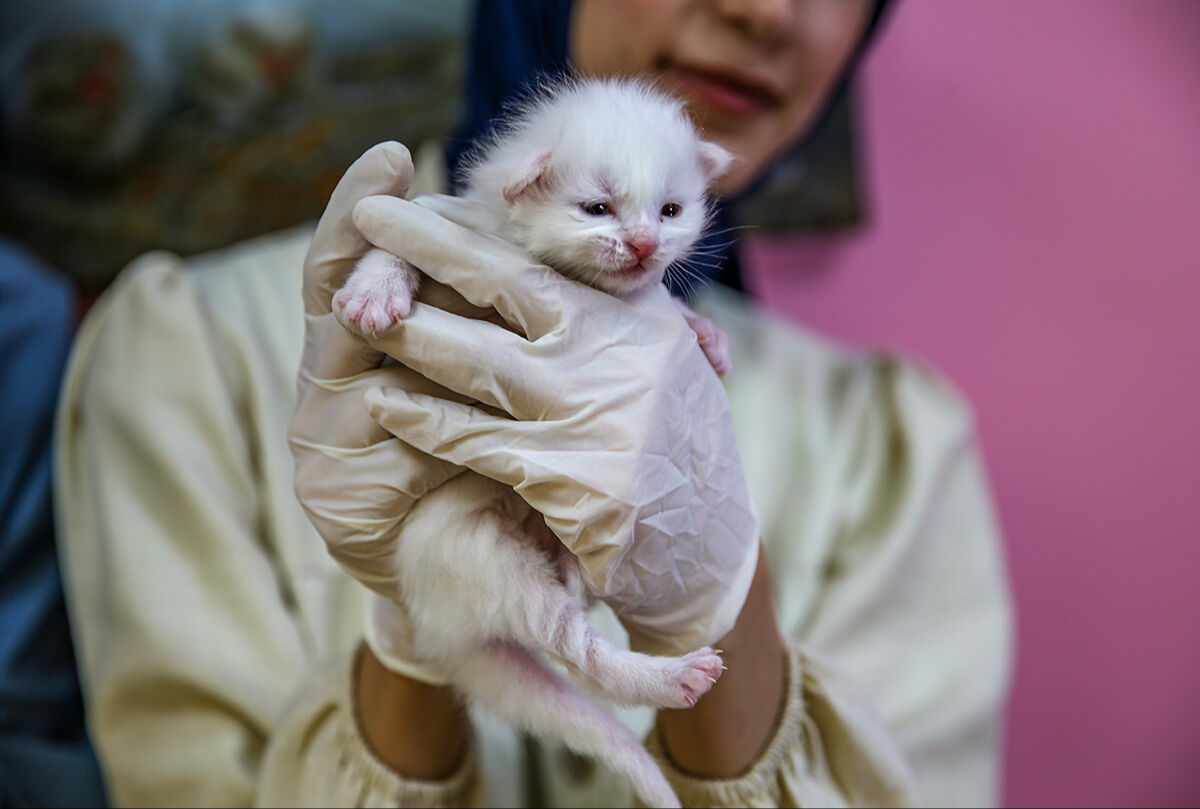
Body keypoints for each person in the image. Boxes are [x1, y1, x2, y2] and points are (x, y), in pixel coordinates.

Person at [54, 1, 1013, 806]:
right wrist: (414, 634)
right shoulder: (201, 351)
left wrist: (720, 604)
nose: (765, 11)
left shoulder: (888, 447)